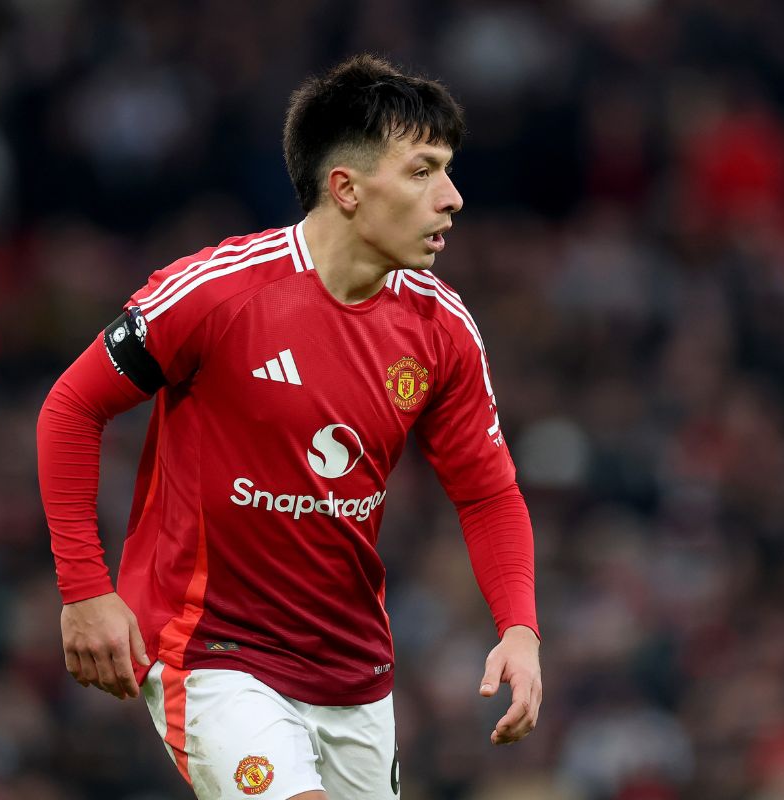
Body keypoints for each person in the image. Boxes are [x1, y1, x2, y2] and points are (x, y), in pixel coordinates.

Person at [37, 54, 541, 799]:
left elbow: (487, 493)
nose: (453, 198)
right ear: (345, 188)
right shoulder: (217, 294)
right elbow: (72, 408)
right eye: (423, 171)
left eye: (449, 171)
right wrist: (85, 589)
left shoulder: (443, 329)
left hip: (353, 669)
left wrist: (520, 630)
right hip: (212, 651)